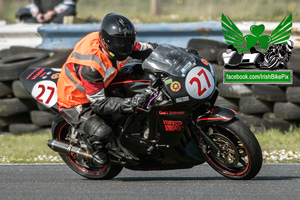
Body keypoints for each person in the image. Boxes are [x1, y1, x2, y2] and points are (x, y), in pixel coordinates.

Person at [56, 13, 157, 166]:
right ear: (106, 40)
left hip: (103, 83)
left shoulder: (117, 42)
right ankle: (94, 147)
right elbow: (99, 104)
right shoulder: (91, 66)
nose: (124, 46)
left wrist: (179, 54)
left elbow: (146, 48)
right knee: (103, 132)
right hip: (76, 99)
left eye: (127, 41)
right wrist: (131, 102)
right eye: (119, 42)